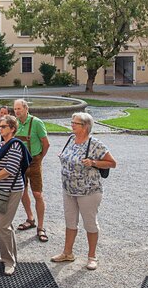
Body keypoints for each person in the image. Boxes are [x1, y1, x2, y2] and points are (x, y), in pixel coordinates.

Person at [50, 112, 117, 270]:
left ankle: (92, 257)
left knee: (90, 224)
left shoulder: (95, 144)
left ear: (86, 126)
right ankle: (67, 253)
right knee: (70, 221)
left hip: (89, 191)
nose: (72, 124)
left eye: (76, 123)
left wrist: (93, 162)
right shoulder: (71, 140)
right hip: (69, 189)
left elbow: (112, 163)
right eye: (72, 122)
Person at [0, 115, 30, 276]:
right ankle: (8, 256)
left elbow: (10, 170)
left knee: (2, 226)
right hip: (1, 189)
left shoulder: (15, 145)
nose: (1, 129)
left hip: (12, 189)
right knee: (6, 225)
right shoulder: (2, 145)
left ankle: (10, 261)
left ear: (12, 128)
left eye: (4, 126)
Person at [14, 99, 50, 242]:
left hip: (34, 161)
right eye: (15, 109)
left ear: (26, 109)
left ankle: (41, 227)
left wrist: (40, 158)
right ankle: (30, 218)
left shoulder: (36, 122)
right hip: (20, 162)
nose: (17, 111)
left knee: (37, 194)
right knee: (23, 191)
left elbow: (46, 143)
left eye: (19, 109)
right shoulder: (15, 123)